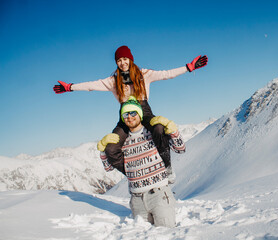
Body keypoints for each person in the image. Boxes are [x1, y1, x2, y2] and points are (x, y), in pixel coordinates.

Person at [53, 46, 207, 180]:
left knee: (159, 128)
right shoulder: (113, 81)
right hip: (125, 117)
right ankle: (133, 175)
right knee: (111, 148)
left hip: (144, 112)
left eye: (125, 59)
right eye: (119, 60)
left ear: (131, 59)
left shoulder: (143, 74)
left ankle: (167, 167)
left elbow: (166, 74)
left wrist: (188, 67)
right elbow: (91, 85)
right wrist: (70, 87)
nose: (122, 63)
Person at [97, 96, 186, 228]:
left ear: (139, 113)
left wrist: (172, 130)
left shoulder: (153, 132)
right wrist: (103, 151)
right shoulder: (121, 141)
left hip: (160, 195)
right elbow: (109, 168)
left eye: (133, 113)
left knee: (166, 235)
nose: (129, 117)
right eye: (125, 114)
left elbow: (180, 149)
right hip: (136, 200)